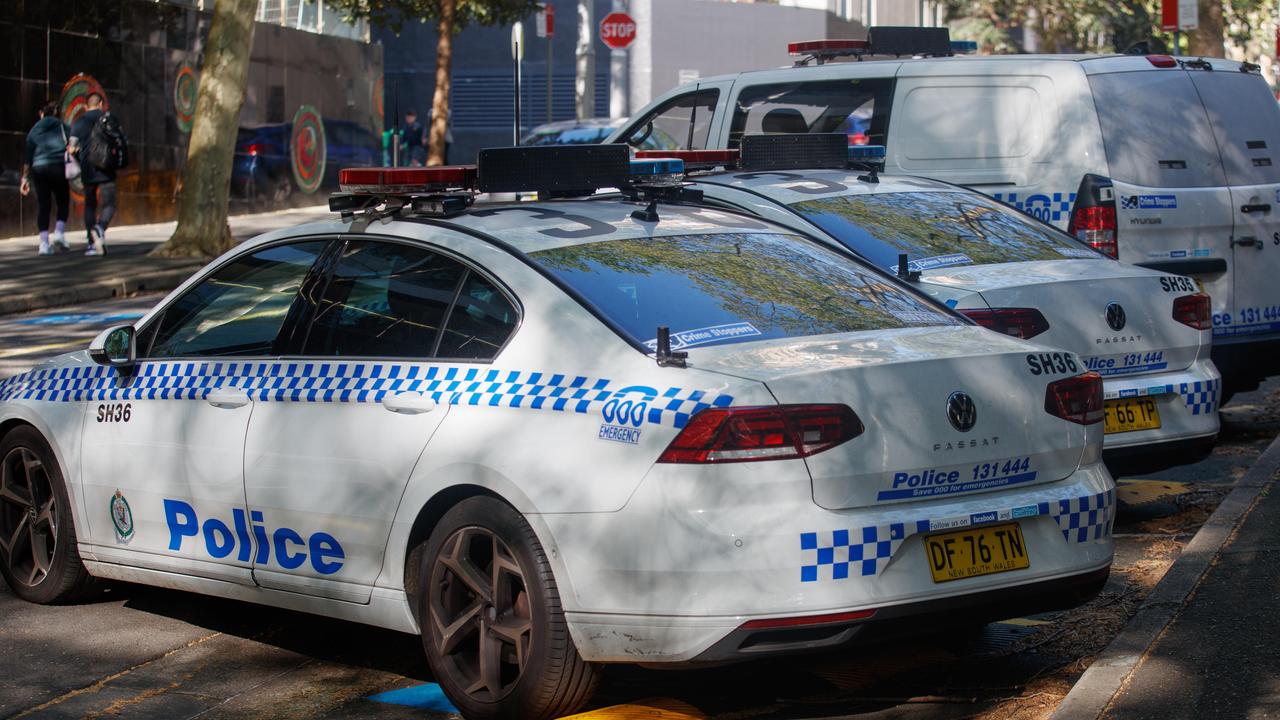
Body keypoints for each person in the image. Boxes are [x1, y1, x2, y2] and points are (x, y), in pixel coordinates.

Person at [20, 101, 72, 255]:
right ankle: (59, 233)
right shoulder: (63, 126)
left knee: (44, 206)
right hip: (58, 166)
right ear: (56, 113)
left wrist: (25, 179)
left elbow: (28, 157)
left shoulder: (34, 129)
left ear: (42, 113)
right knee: (63, 200)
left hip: (39, 168)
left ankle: (43, 243)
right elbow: (74, 143)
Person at [69, 93, 117, 256]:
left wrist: (79, 156)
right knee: (109, 204)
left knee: (90, 205)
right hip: (106, 167)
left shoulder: (79, 121)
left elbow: (71, 147)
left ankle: (91, 243)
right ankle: (100, 228)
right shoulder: (108, 118)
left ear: (86, 105)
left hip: (87, 168)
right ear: (101, 103)